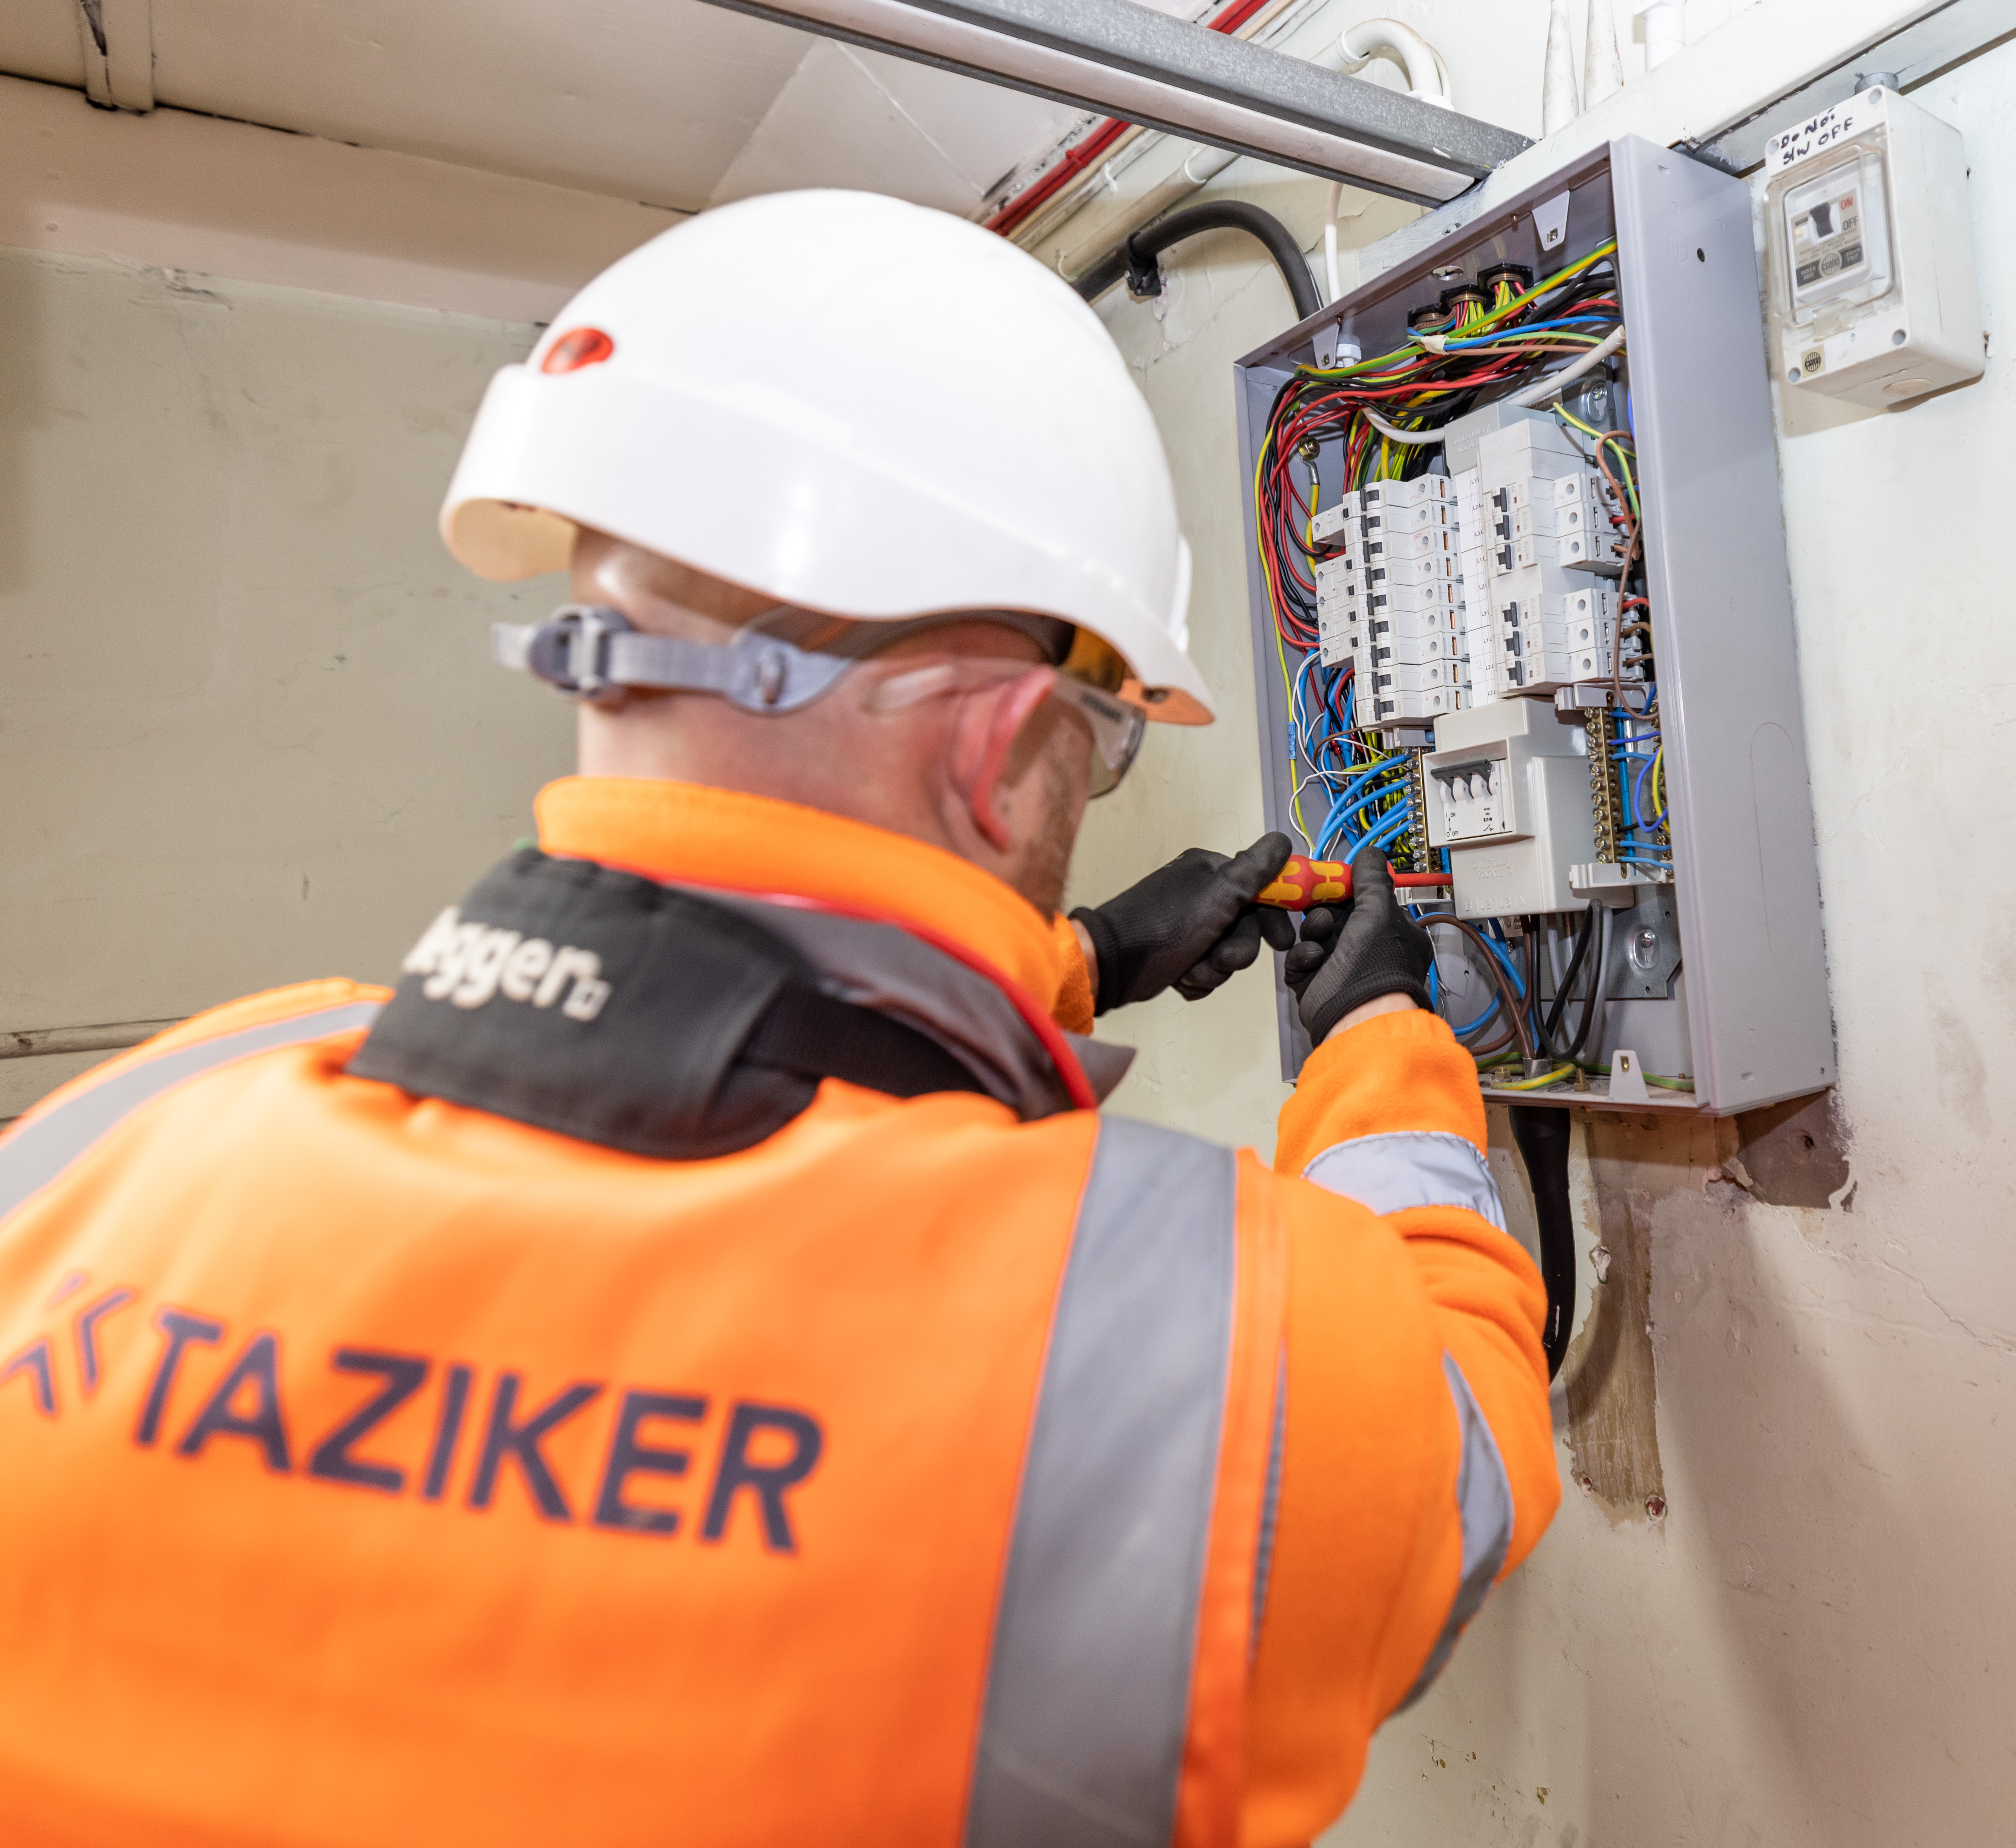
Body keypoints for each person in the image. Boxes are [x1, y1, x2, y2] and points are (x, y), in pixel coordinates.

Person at [0, 191, 1557, 1846]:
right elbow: (1463, 1429)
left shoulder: (125, 1130)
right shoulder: (1210, 1349)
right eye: (1098, 748)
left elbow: (706, 1044)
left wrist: (1075, 956)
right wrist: (1383, 1043)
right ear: (993, 747)